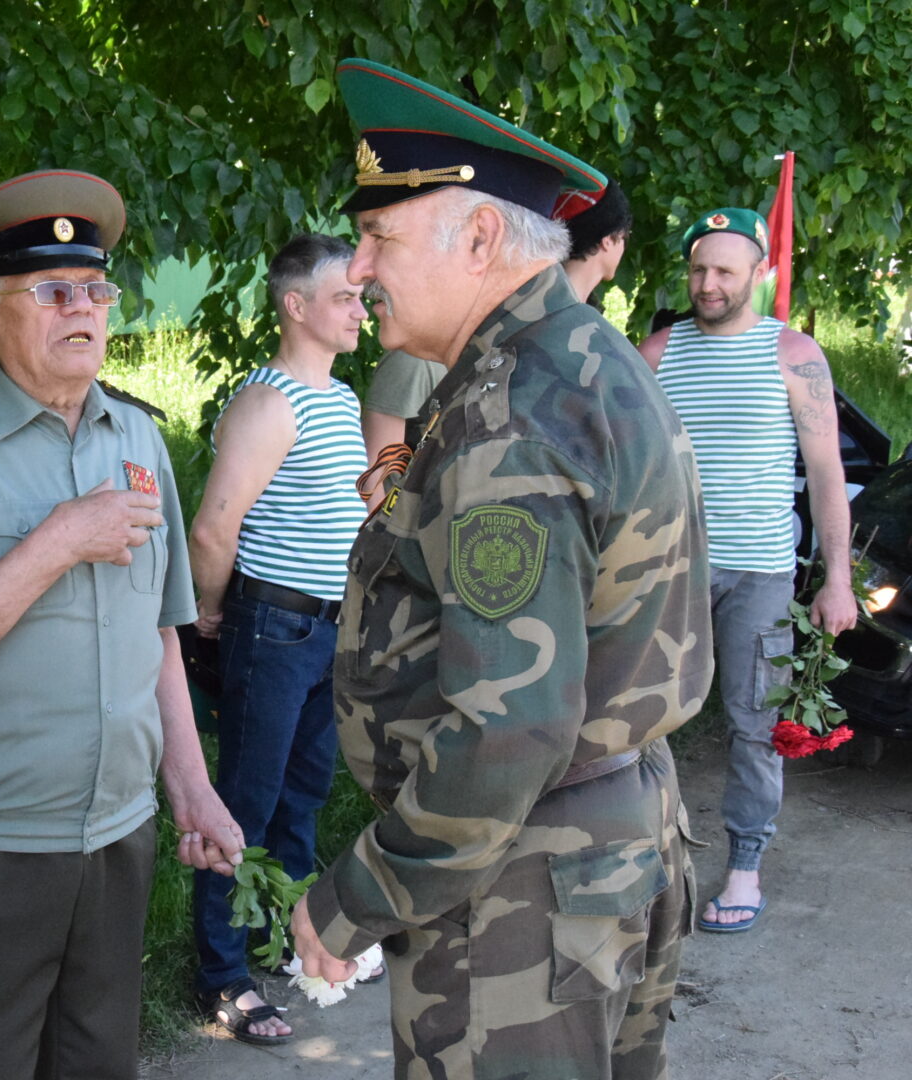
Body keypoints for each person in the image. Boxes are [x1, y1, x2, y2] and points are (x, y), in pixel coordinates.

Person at [288, 59, 713, 1079]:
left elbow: (506, 728)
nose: (355, 268)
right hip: (607, 842)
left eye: (379, 236)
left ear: (478, 237)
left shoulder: (508, 412)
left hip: (522, 881)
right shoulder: (582, 360)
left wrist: (354, 896)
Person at [0, 169, 243, 1080]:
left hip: (118, 836)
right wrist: (58, 540)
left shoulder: (137, 439)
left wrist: (189, 787)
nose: (84, 309)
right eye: (52, 292)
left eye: (96, 290)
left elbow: (162, 631)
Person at [639, 207, 858, 933]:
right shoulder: (660, 353)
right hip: (670, 568)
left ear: (757, 275)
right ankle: (646, 854)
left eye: (725, 271)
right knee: (640, 715)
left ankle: (744, 865)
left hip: (760, 574)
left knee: (755, 724)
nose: (708, 283)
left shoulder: (792, 356)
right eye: (699, 269)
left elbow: (826, 474)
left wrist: (836, 580)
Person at [186, 234, 375, 1044]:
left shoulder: (335, 397)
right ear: (296, 306)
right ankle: (222, 978)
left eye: (361, 298)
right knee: (243, 809)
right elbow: (213, 526)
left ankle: (277, 938)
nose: (360, 310)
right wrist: (211, 614)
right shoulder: (271, 403)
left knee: (301, 801)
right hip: (271, 624)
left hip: (324, 632)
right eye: (345, 298)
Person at [359, 348, 446, 499]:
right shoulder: (414, 360)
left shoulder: (489, 359)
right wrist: (373, 522)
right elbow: (372, 475)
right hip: (402, 517)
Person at [559, 178, 632, 304]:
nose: (623, 248)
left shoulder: (530, 297)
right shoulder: (573, 314)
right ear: (607, 240)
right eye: (624, 237)